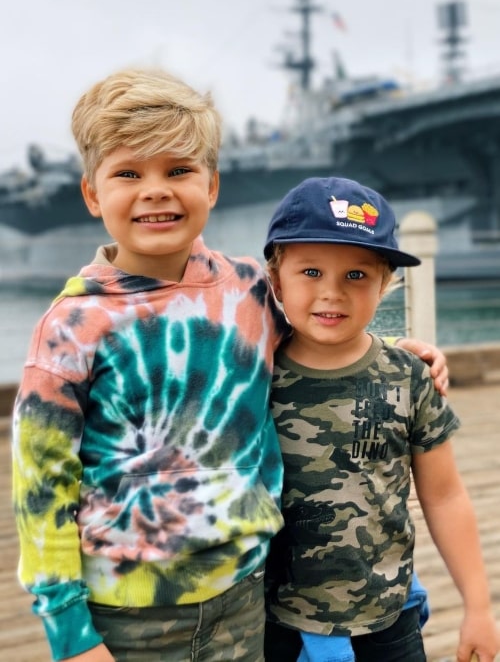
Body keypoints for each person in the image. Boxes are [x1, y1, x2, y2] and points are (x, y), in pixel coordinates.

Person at [12, 68, 449, 662]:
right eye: (128, 173)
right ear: (92, 193)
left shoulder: (246, 287)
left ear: (212, 186)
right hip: (131, 615)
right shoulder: (72, 325)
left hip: (247, 599)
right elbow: (41, 490)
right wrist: (69, 632)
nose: (156, 190)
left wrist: (396, 350)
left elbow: (320, 328)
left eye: (179, 170)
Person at [262, 176, 500, 662]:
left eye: (357, 275)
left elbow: (446, 493)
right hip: (276, 623)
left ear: (386, 284)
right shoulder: (254, 374)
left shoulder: (409, 377)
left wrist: (477, 607)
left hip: (387, 622)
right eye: (310, 272)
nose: (332, 293)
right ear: (274, 279)